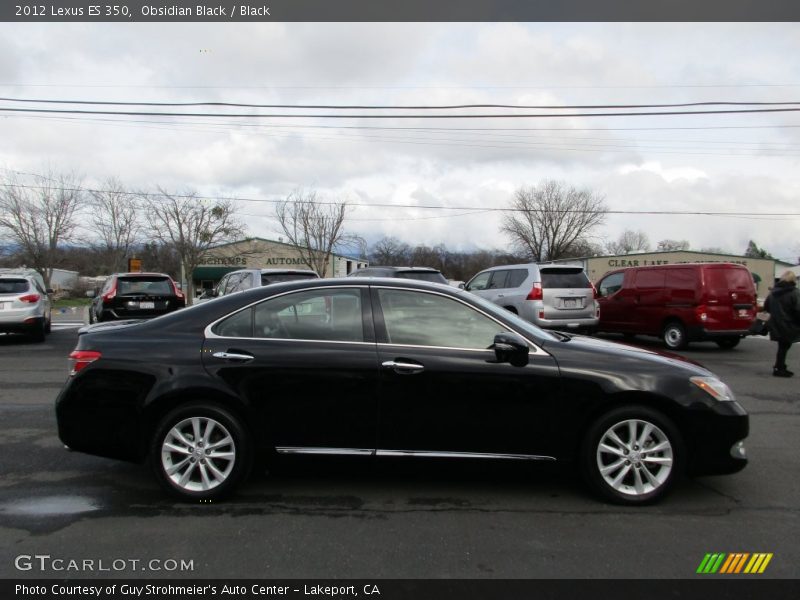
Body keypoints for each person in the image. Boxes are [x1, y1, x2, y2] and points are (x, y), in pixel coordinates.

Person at [764, 270, 800, 377]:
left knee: (782, 346)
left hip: (775, 323)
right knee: (784, 346)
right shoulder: (795, 293)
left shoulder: (773, 292)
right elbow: (798, 309)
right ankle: (779, 368)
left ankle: (780, 366)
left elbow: (766, 306)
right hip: (789, 323)